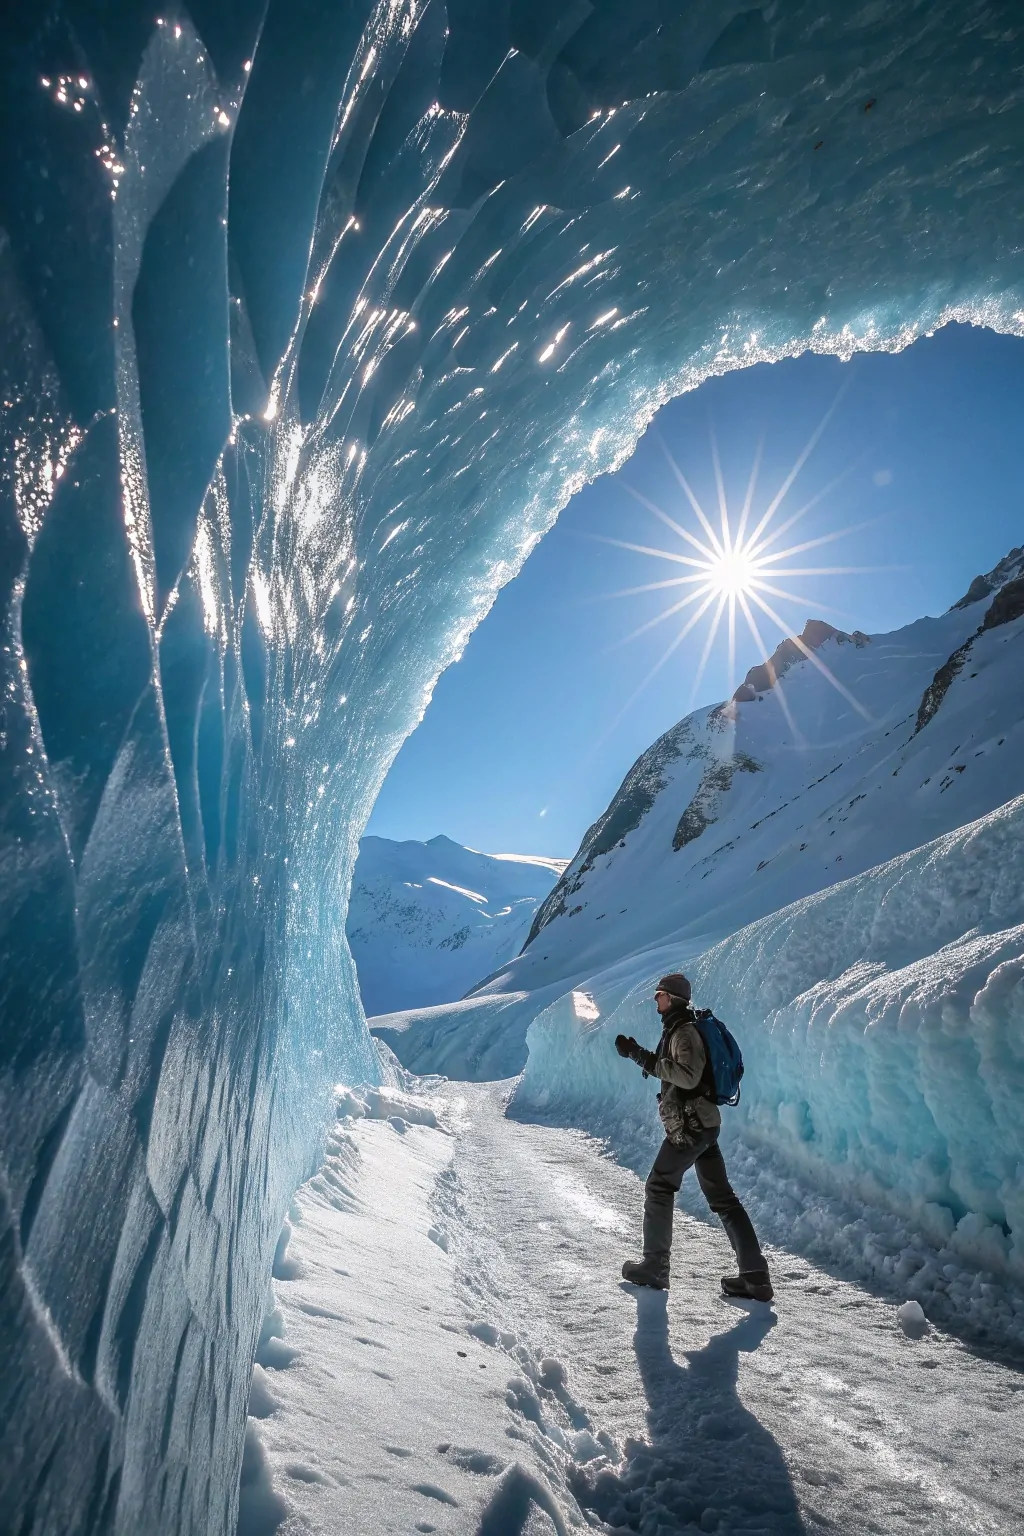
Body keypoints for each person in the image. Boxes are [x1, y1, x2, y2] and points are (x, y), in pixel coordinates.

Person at [614, 973, 773, 1301]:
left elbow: (688, 1077)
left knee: (659, 1185)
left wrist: (639, 1055)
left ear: (671, 998)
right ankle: (755, 1278)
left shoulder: (684, 1032)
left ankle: (655, 1267)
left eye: (659, 994)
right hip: (703, 1124)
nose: (655, 1000)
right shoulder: (681, 1027)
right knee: (723, 1199)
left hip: (691, 1127)